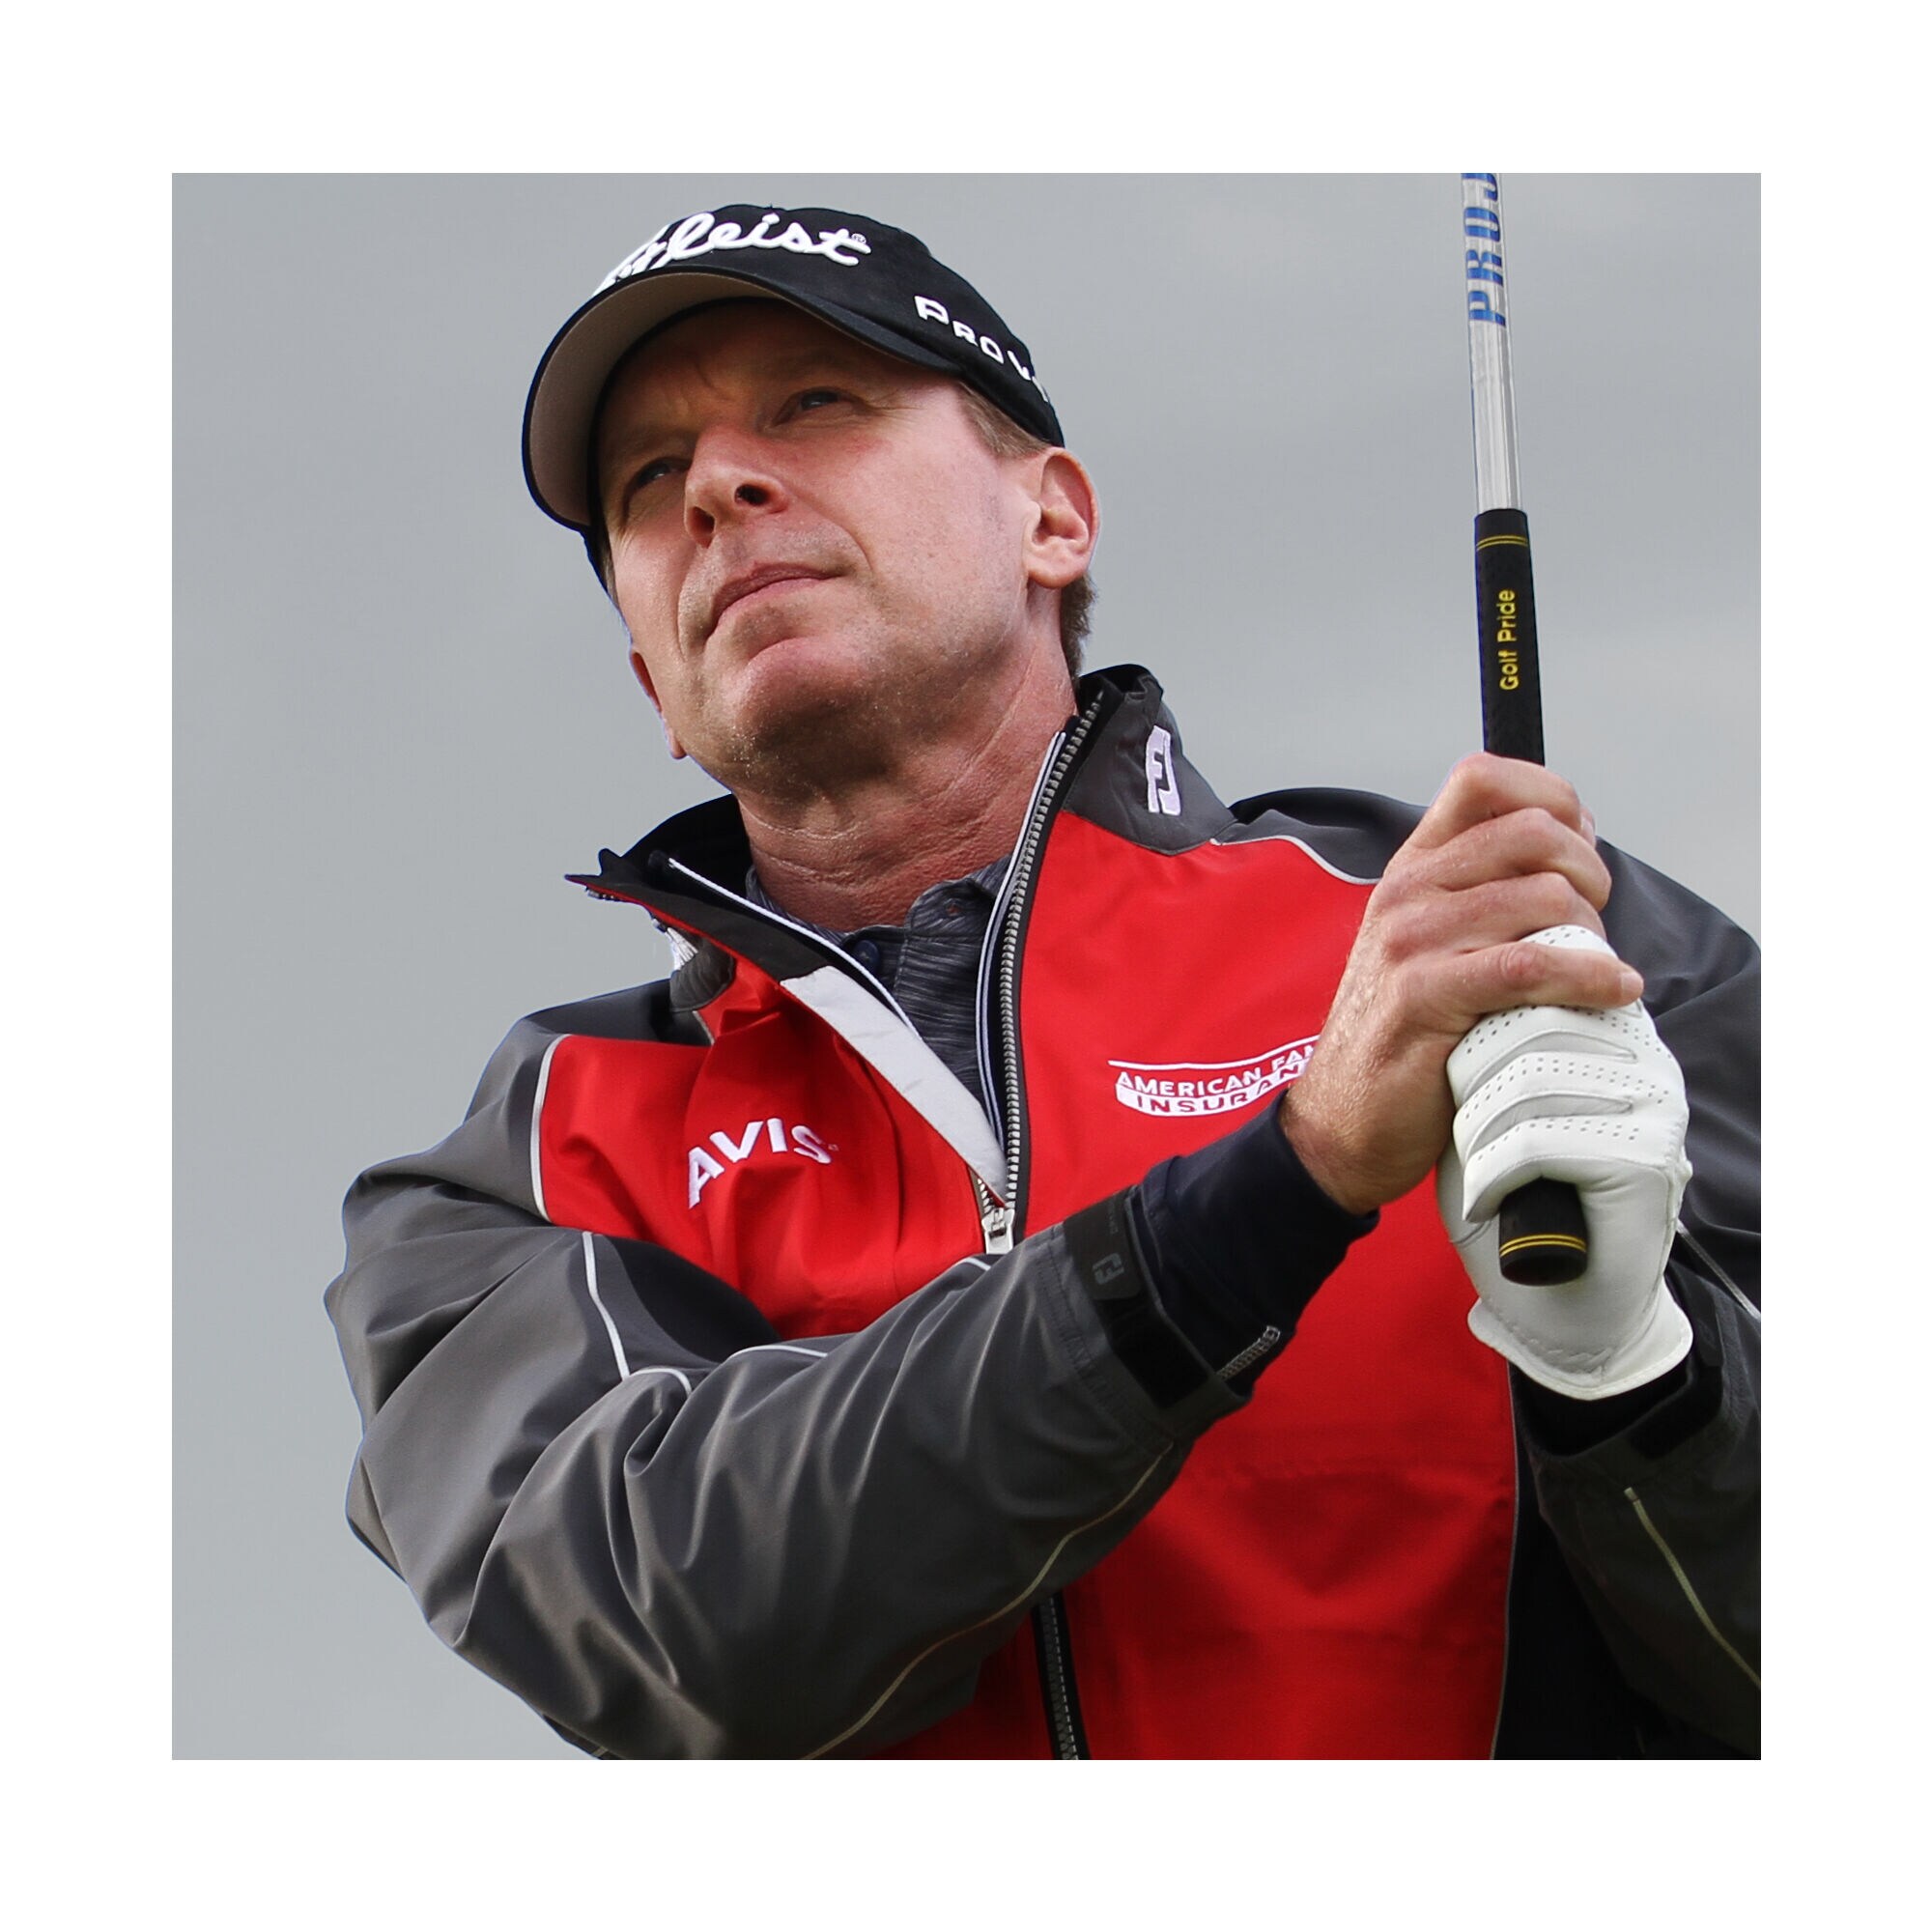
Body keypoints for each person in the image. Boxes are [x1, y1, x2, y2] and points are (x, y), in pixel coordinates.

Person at [326, 203, 1760, 1759]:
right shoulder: (518, 1172)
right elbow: (686, 1623)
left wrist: (1640, 1376)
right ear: (652, 683)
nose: (718, 487)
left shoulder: (1531, 939)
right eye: (646, 483)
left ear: (1054, 520)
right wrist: (1282, 1186)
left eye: (816, 403)